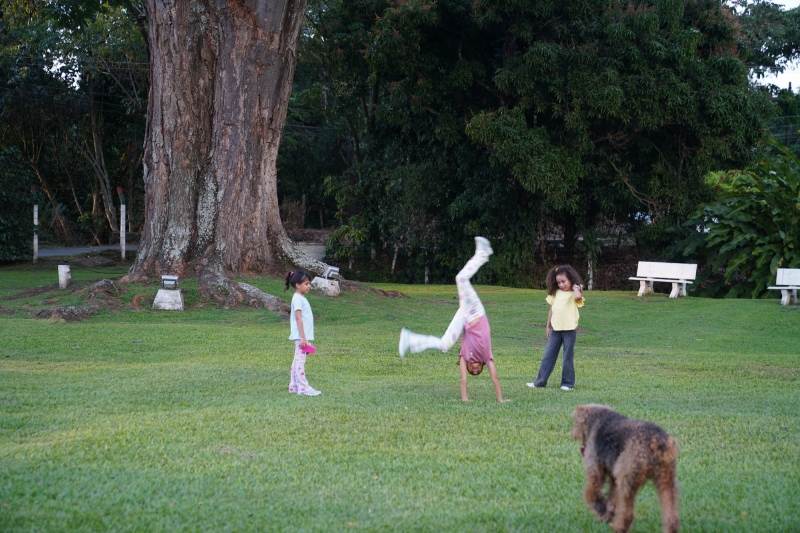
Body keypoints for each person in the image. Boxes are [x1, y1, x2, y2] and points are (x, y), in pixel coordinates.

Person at [398, 237, 510, 403]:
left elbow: (463, 379)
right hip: (475, 312)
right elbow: (494, 378)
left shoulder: (464, 355)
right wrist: (500, 399)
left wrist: (464, 398)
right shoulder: (487, 356)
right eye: (476, 370)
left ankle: (409, 338)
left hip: (464, 317)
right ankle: (482, 254)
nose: (473, 369)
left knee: (445, 345)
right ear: (481, 366)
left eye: (471, 371)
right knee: (461, 279)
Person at [527, 264, 585, 391]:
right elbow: (551, 309)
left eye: (564, 281)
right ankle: (540, 382)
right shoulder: (555, 293)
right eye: (559, 282)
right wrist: (548, 325)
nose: (561, 285)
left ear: (571, 279)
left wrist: (577, 287)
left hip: (569, 329)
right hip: (556, 330)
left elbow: (578, 297)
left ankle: (567, 383)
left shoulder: (574, 293)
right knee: (548, 355)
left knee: (567, 357)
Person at [285, 269, 321, 396]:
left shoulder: (299, 298)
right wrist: (303, 337)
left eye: (309, 283)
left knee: (296, 360)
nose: (309, 286)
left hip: (300, 336)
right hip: (301, 336)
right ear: (297, 285)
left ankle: (294, 386)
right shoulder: (298, 299)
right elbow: (298, 318)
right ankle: (303, 387)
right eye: (306, 284)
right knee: (300, 361)